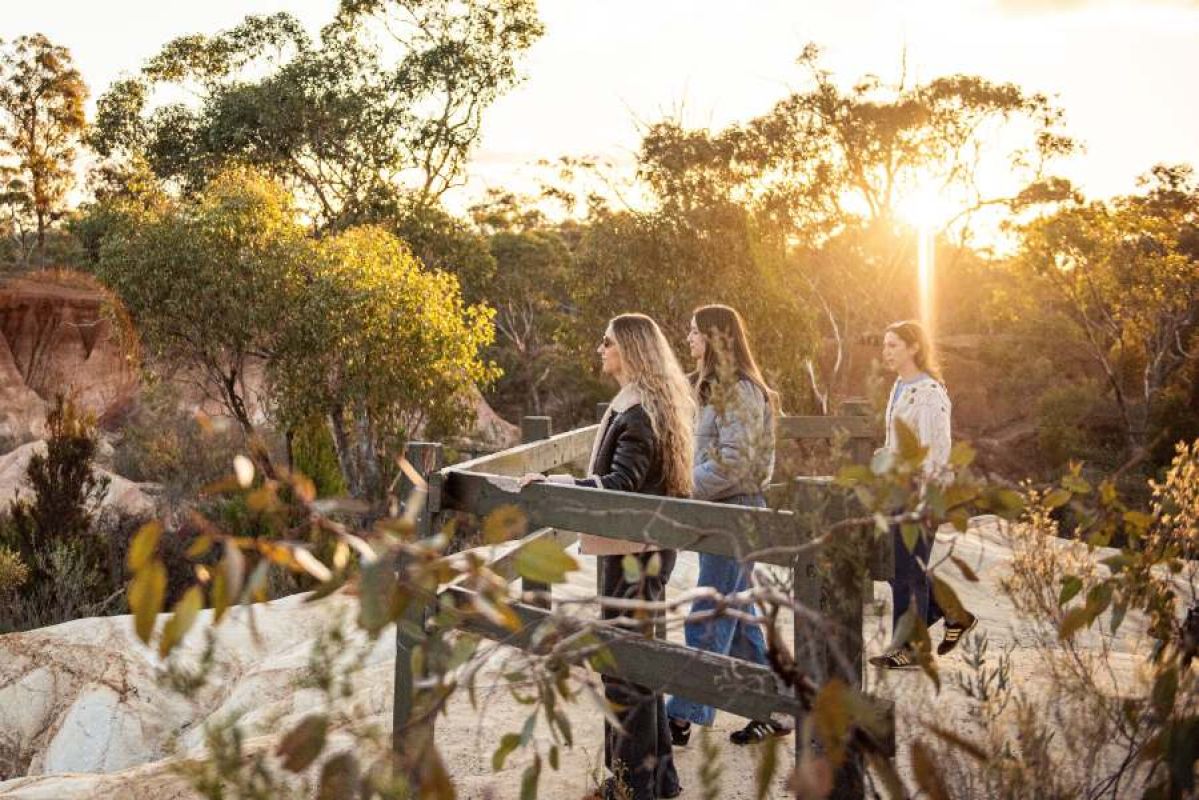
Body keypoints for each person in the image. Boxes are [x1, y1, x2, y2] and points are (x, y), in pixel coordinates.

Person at [521, 312, 693, 800]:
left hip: (635, 555)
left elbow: (619, 486)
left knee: (623, 671)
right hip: (633, 551)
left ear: (631, 352)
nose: (600, 349)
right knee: (640, 665)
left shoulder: (640, 414)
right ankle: (658, 782)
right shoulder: (639, 406)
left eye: (608, 342)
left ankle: (630, 786)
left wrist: (557, 485)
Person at [664, 304, 791, 747]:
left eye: (696, 333)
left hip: (735, 509)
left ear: (717, 339)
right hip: (723, 509)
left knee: (711, 612)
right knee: (739, 615)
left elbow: (734, 464)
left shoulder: (741, 391)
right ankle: (774, 708)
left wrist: (683, 488)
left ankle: (680, 716)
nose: (690, 340)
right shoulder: (718, 389)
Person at [868, 320, 977, 670]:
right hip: (895, 491)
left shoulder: (930, 393)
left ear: (914, 347)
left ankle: (908, 647)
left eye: (894, 345)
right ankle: (952, 615)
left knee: (907, 572)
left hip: (920, 494)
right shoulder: (899, 386)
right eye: (885, 346)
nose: (887, 352)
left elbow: (937, 450)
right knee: (893, 564)